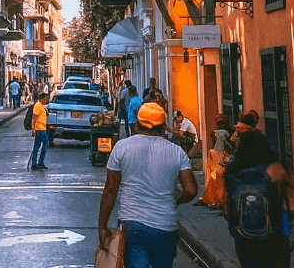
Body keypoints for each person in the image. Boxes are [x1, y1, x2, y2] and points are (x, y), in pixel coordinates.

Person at [98, 102, 198, 268]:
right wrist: (176, 200)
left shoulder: (122, 147)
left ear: (137, 125)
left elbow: (110, 189)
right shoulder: (177, 152)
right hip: (166, 225)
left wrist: (102, 226)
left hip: (132, 224)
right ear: (164, 127)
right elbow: (191, 190)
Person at [223, 130, 294, 268]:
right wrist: (291, 215)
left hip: (244, 238)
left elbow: (226, 210)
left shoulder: (231, 172)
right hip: (276, 235)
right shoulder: (278, 169)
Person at [197, 114, 233, 208]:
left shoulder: (221, 133)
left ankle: (219, 199)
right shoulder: (221, 133)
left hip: (222, 158)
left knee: (216, 177)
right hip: (218, 157)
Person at [29, 91, 51, 170]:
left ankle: (34, 164)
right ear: (41, 99)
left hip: (41, 128)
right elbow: (34, 118)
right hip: (40, 129)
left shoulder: (42, 106)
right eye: (45, 99)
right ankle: (40, 162)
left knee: (37, 146)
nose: (47, 101)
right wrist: (33, 129)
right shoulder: (38, 106)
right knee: (46, 143)